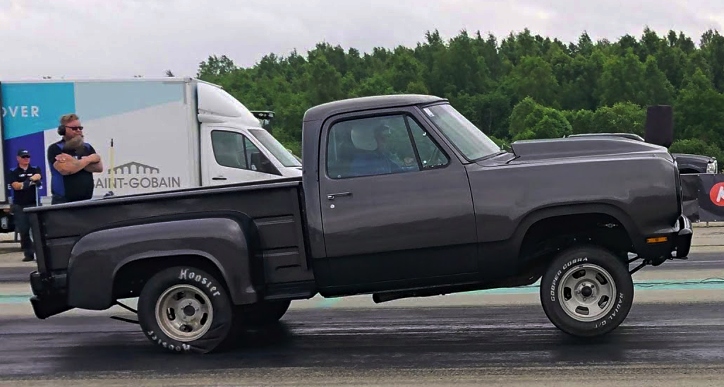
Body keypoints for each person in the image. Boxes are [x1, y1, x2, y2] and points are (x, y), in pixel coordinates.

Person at [46, 113, 103, 204]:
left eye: (80, 128)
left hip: (86, 200)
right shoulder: (56, 148)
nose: (78, 131)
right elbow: (66, 170)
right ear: (63, 130)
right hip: (63, 201)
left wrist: (74, 162)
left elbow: (99, 168)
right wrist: (89, 159)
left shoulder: (87, 147)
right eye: (74, 128)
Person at [7, 149, 42, 261]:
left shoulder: (35, 168)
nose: (26, 158)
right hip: (20, 205)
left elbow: (38, 178)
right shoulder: (13, 172)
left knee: (36, 230)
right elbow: (16, 186)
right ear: (18, 158)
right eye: (23, 157)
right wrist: (29, 182)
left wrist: (27, 182)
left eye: (27, 156)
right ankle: (28, 254)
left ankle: (39, 253)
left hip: (34, 203)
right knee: (24, 230)